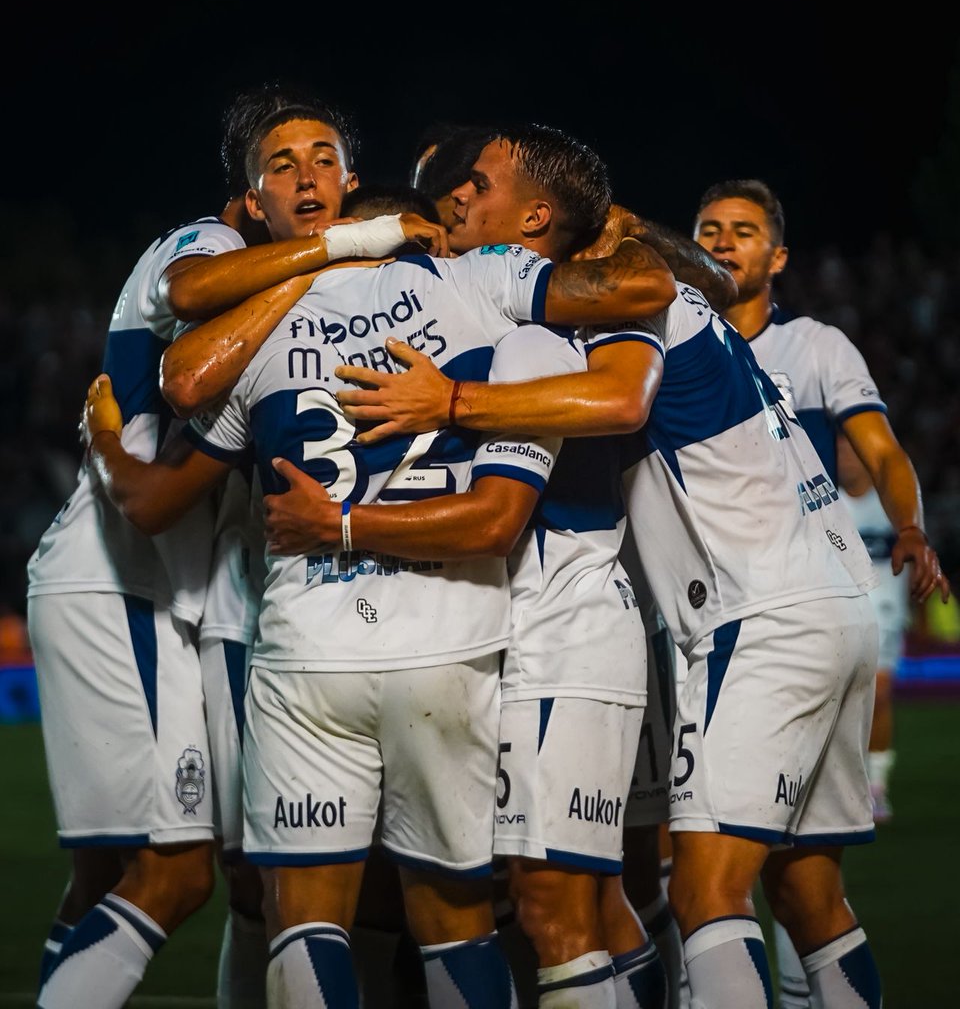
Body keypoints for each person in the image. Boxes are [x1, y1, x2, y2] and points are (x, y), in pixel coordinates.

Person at [83, 123, 683, 1009]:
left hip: (309, 651)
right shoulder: (478, 283)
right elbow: (630, 288)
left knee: (305, 920)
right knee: (465, 922)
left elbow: (180, 380)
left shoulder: (274, 320)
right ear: (423, 231)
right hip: (454, 648)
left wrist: (107, 438)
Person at [329, 264, 892, 1009]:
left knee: (702, 892)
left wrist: (454, 400)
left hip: (752, 616)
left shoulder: (626, 314)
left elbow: (619, 400)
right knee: (805, 893)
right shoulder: (694, 309)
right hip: (830, 597)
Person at [29, 90, 407, 1009]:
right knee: (184, 873)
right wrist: (349, 248)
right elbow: (186, 297)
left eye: (323, 159)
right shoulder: (209, 244)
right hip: (130, 579)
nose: (305, 178)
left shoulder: (279, 286)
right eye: (281, 165)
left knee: (139, 883)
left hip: (157, 581)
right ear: (247, 203)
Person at [692, 177, 950, 1009]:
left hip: (775, 617)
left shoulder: (815, 347)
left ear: (779, 255)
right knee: (804, 891)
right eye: (709, 228)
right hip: (753, 615)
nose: (724, 241)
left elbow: (881, 450)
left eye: (743, 229)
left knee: (702, 876)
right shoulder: (669, 339)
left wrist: (908, 525)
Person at [836, 432, 911, 824]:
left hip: (886, 614)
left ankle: (876, 787)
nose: (846, 458)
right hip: (842, 615)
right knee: (843, 702)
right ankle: (843, 784)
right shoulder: (828, 501)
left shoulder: (893, 504)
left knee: (879, 696)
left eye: (853, 449)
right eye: (841, 448)